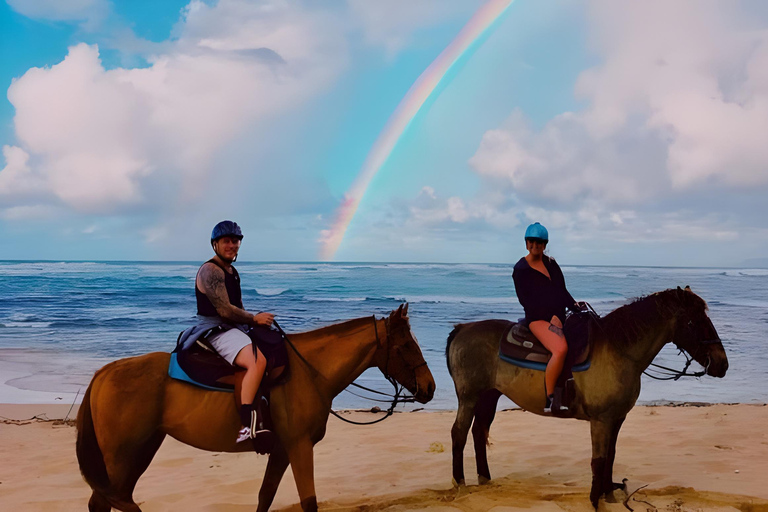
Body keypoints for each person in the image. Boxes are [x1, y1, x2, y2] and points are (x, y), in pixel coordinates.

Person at [195, 220, 275, 443]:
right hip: (215, 329)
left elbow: (236, 306)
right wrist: (253, 318)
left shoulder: (232, 271)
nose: (232, 245)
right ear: (215, 245)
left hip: (232, 326)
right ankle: (246, 424)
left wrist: (254, 321)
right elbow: (224, 310)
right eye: (226, 241)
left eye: (235, 241)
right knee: (257, 361)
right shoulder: (211, 270)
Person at [512, 222, 582, 413]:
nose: (535, 245)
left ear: (545, 244)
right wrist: (552, 317)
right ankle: (550, 399)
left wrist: (575, 307)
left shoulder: (551, 264)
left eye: (539, 242)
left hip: (557, 316)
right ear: (526, 243)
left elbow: (561, 291)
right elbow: (526, 301)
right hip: (537, 319)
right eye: (532, 241)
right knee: (560, 349)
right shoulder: (521, 270)